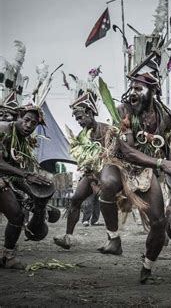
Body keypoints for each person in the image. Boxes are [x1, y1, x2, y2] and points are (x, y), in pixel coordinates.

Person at [98, 54, 171, 283]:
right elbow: (127, 151)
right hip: (119, 163)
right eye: (131, 88)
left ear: (154, 90)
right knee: (108, 183)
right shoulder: (123, 111)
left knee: (160, 223)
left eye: (138, 88)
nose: (132, 93)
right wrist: (161, 163)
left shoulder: (165, 117)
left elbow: (167, 148)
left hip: (145, 169)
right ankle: (113, 238)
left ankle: (147, 265)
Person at [54, 68, 109, 249]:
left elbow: (114, 153)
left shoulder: (106, 129)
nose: (78, 121)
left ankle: (113, 239)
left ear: (90, 112)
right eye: (76, 119)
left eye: (80, 117)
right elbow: (82, 158)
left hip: (110, 173)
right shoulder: (82, 135)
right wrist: (90, 174)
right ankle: (68, 236)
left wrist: (102, 174)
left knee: (108, 203)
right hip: (91, 174)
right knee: (76, 200)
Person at [0, 106, 52, 269]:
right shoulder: (2, 129)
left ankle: (7, 256)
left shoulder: (22, 142)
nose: (29, 125)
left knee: (17, 215)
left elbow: (15, 173)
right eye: (27, 120)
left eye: (34, 123)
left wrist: (33, 192)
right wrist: (27, 175)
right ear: (20, 116)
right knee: (15, 214)